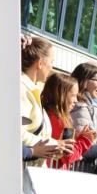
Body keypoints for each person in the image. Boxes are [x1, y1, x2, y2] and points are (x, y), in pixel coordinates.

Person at [20, 36, 69, 164]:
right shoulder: (22, 88)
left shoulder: (33, 87)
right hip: (23, 174)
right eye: (51, 61)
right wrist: (55, 144)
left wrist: (57, 147)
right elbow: (16, 133)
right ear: (40, 63)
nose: (52, 67)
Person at [39, 72, 96, 170]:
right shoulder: (61, 120)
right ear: (61, 94)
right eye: (73, 95)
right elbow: (68, 154)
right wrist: (85, 140)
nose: (76, 100)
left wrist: (79, 138)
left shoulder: (47, 114)